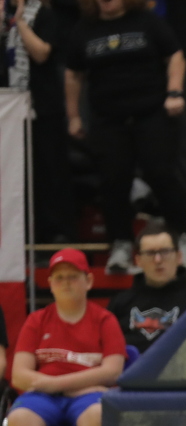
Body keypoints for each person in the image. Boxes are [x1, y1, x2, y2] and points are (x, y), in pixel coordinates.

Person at [65, 0, 186, 275]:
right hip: (108, 119)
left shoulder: (147, 22)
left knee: (162, 174)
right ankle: (121, 244)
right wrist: (74, 115)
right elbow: (73, 74)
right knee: (112, 181)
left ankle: (181, 237)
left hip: (151, 113)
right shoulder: (84, 30)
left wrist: (174, 91)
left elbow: (175, 55)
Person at [7, 249, 127, 426]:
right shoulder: (37, 320)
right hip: (44, 397)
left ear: (88, 280)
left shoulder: (105, 320)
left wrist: (56, 383)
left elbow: (114, 371)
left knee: (98, 415)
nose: (65, 283)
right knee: (18, 419)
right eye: (58, 278)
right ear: (50, 284)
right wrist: (63, 385)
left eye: (73, 276)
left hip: (85, 397)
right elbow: (19, 375)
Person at [8, 0, 74, 243]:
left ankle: (57, 233)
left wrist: (19, 22)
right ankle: (23, 235)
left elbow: (41, 53)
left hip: (44, 108)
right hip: (11, 113)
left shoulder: (44, 14)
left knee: (50, 173)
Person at [106, 220, 186, 354]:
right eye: (150, 253)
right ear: (138, 260)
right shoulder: (119, 304)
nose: (158, 260)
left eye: (165, 251)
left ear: (179, 257)